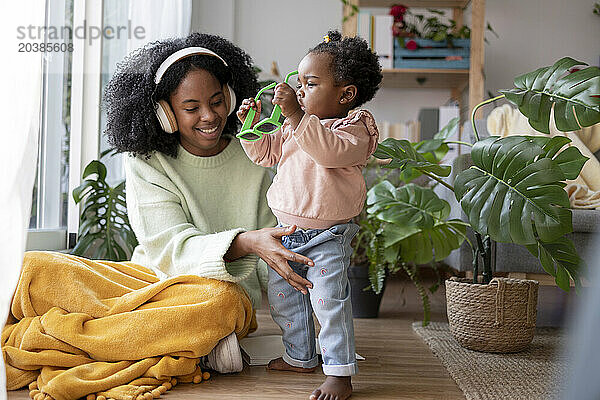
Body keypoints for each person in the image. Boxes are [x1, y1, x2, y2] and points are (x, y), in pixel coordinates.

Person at [104, 32, 319, 370]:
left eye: (217, 101)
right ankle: (195, 346)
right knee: (42, 271)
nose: (209, 116)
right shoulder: (146, 162)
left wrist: (307, 279)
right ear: (166, 113)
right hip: (158, 287)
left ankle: (187, 346)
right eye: (191, 108)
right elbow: (169, 249)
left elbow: (272, 248)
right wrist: (247, 242)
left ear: (231, 98)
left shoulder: (253, 153)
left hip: (225, 300)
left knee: (220, 297)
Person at [237, 30, 383, 400]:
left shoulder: (354, 129)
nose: (300, 90)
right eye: (298, 82)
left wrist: (296, 115)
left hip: (327, 238)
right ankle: (300, 356)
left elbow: (328, 153)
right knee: (284, 298)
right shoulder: (295, 125)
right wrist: (250, 128)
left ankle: (339, 372)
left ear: (345, 94)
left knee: (328, 303)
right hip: (285, 232)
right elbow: (266, 155)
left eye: (311, 83)